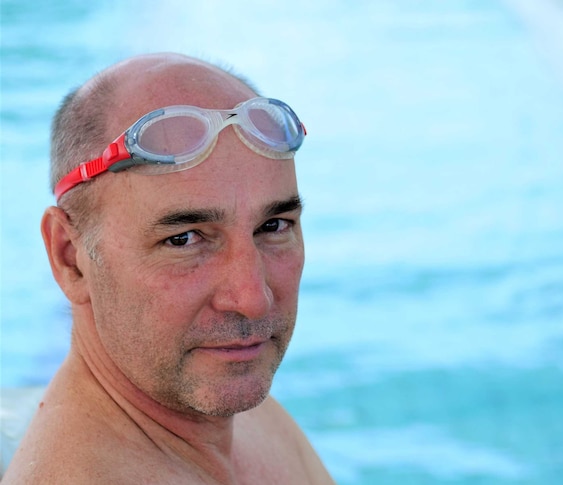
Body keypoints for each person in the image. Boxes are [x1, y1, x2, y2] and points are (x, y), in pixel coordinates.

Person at [3, 52, 335, 484]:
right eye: (183, 239)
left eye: (273, 226)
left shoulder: (242, 418)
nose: (253, 299)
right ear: (70, 257)